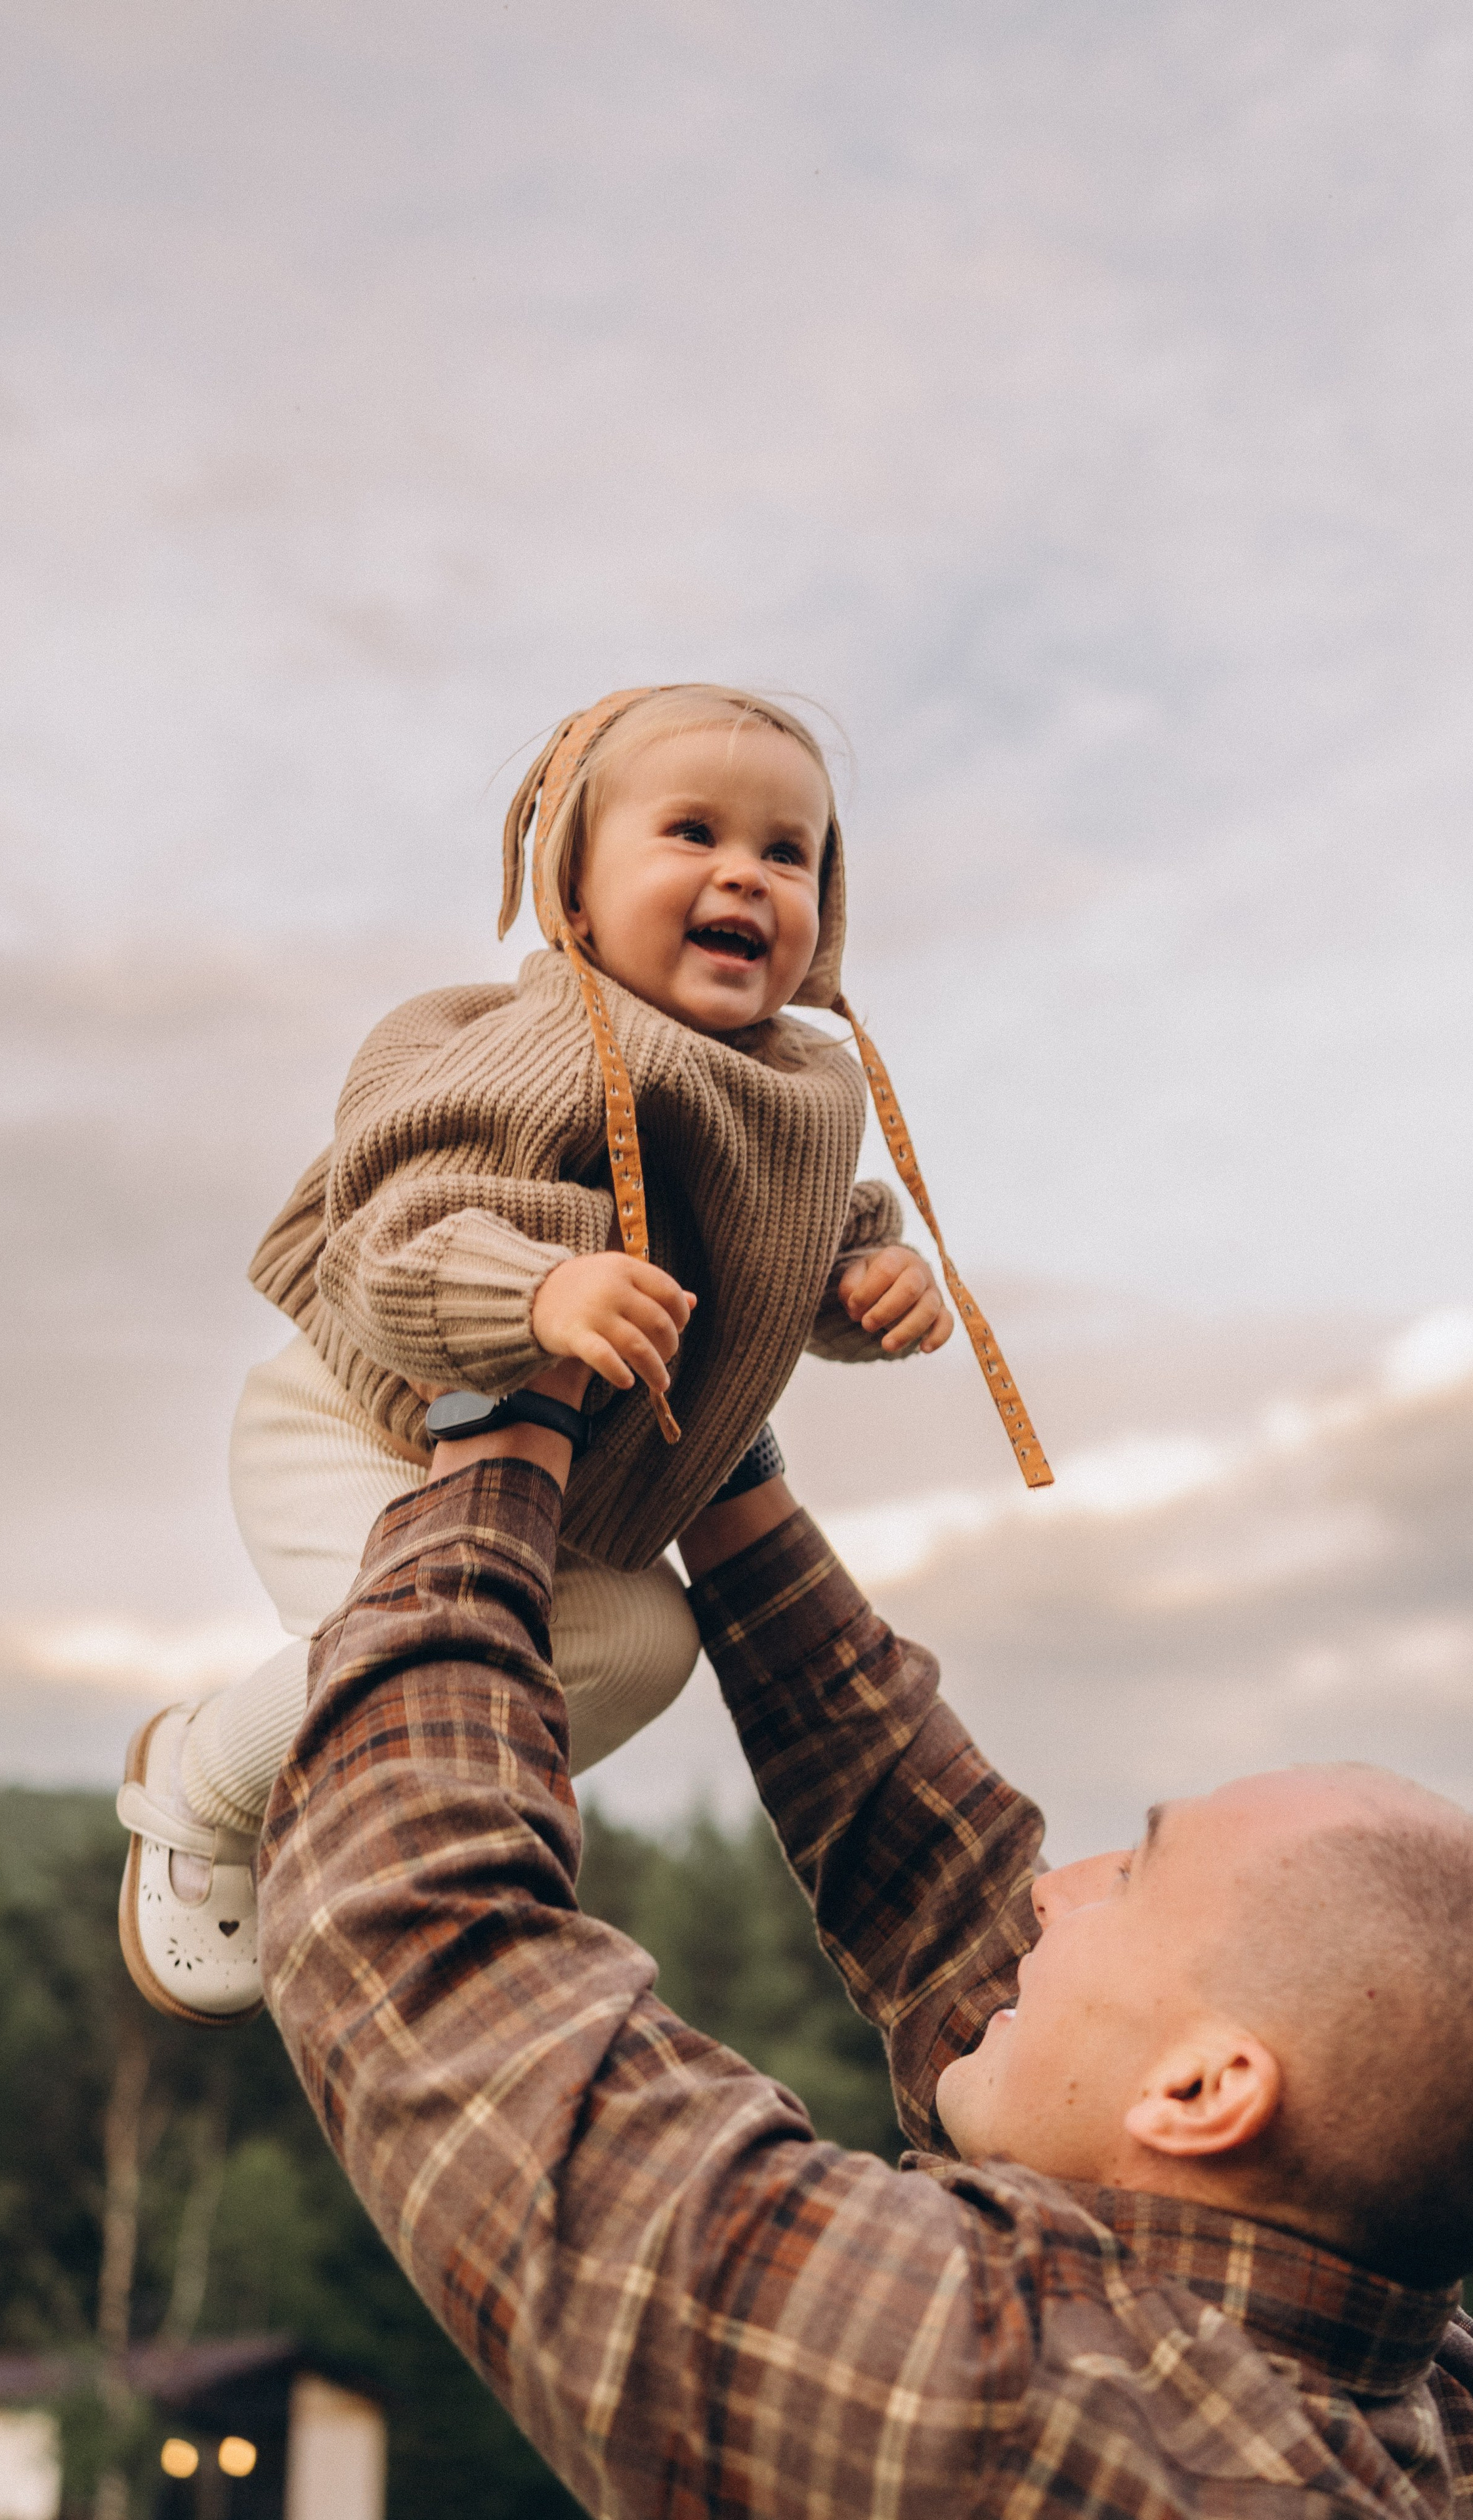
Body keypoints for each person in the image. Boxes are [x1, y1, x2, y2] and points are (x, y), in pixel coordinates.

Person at [258, 1376, 1473, 2520]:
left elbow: (435, 1959)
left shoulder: (1000, 2407)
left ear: (1202, 2093)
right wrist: (721, 1448)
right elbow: (962, 1920)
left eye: (1128, 1877)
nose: (1046, 1895)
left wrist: (502, 1420)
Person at [117, 682, 1050, 2026]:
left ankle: (327, 1797)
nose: (745, 872)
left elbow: (801, 1245)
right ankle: (202, 1786)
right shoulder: (525, 1045)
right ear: (574, 884)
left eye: (787, 853)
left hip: (560, 1504)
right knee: (436, 1655)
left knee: (642, 1645)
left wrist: (866, 1288)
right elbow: (391, 1235)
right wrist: (537, 1288)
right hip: (360, 1428)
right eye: (691, 833)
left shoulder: (800, 1091)